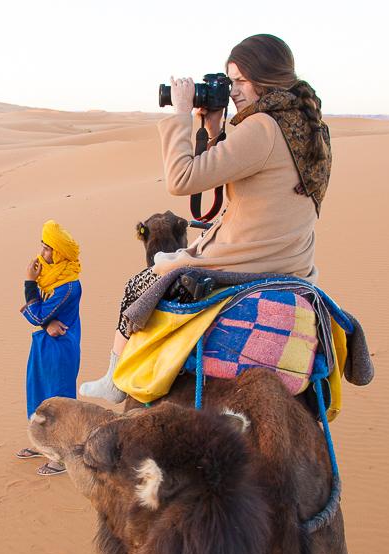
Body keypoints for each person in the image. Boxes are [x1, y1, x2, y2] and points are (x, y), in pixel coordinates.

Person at [80, 33, 333, 403]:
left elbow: (181, 180)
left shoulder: (262, 128)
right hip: (294, 260)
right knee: (172, 262)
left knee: (143, 281)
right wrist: (215, 130)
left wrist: (181, 113)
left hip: (250, 257)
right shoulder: (307, 127)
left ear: (267, 78)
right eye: (230, 82)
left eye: (241, 81)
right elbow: (252, 175)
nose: (233, 91)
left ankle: (117, 376)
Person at [15, 219, 82, 475]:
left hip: (60, 347)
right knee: (38, 392)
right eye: (43, 247)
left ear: (60, 253)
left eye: (48, 249)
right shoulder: (50, 279)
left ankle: (62, 457)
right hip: (44, 342)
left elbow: (34, 314)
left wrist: (29, 284)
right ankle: (42, 444)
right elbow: (38, 316)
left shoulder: (68, 286)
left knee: (58, 400)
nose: (43, 254)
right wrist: (44, 322)